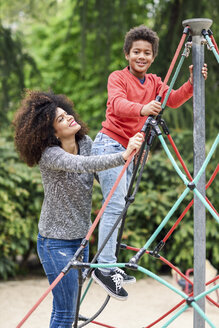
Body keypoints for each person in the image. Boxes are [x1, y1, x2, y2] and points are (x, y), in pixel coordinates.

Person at [91, 25, 208, 301]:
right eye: (136, 52)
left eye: (146, 52)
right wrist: (143, 109)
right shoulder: (118, 78)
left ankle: (112, 263)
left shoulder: (155, 82)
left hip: (130, 150)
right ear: (127, 54)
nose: (141, 56)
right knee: (115, 204)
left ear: (153, 56)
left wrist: (192, 83)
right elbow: (116, 104)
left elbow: (175, 99)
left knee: (122, 206)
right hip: (110, 145)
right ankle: (103, 267)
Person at [13, 90, 144, 328]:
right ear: (51, 132)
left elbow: (100, 173)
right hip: (56, 243)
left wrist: (130, 155)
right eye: (60, 120)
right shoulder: (50, 155)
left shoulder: (85, 143)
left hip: (80, 240)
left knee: (68, 309)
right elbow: (83, 165)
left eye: (66, 114)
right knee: (66, 312)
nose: (69, 118)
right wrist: (121, 156)